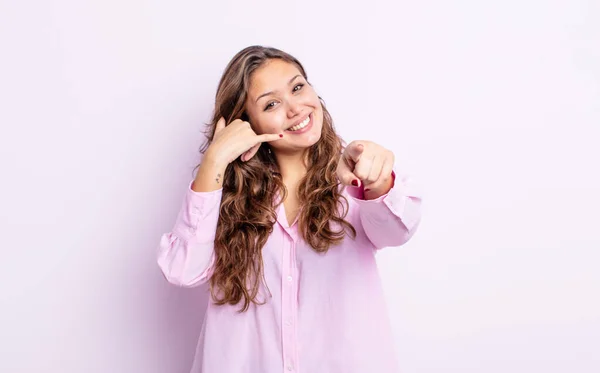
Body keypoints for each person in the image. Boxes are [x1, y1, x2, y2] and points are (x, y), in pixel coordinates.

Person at [157, 45, 423, 373]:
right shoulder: (223, 197)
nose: (296, 108)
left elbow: (397, 231)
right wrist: (215, 158)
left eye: (297, 87)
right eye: (271, 103)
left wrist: (379, 183)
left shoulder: (354, 173)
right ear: (246, 123)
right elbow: (183, 270)